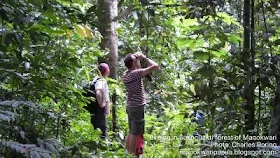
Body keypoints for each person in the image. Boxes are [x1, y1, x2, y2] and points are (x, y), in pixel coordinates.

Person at [123, 52, 159, 156]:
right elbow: (155, 66)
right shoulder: (136, 73)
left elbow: (132, 67)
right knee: (136, 133)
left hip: (130, 106)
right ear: (133, 63)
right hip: (137, 106)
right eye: (136, 60)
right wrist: (144, 57)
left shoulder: (126, 74)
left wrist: (135, 60)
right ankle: (132, 154)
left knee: (131, 131)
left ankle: (127, 153)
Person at [89, 63, 110, 139]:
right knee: (101, 130)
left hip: (94, 109)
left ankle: (96, 146)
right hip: (99, 109)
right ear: (106, 71)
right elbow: (98, 92)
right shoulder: (101, 81)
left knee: (95, 128)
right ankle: (101, 147)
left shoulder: (95, 79)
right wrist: (101, 104)